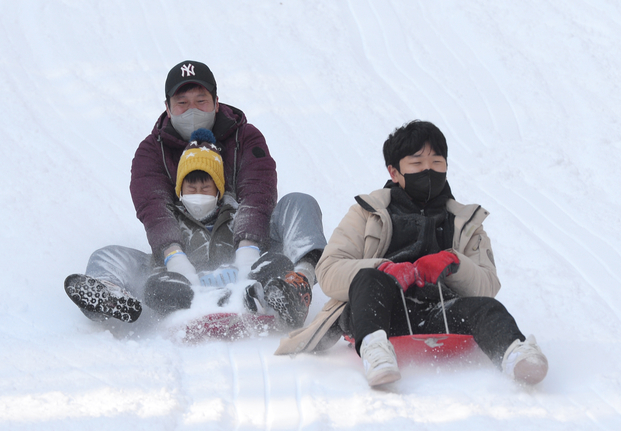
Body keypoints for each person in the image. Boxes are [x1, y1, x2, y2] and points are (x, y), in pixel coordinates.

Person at [274, 120, 548, 387]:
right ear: (394, 172)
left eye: (436, 162)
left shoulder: (465, 221)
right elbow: (328, 270)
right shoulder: (367, 213)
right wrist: (384, 268)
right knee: (369, 279)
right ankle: (376, 353)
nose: (428, 170)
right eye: (417, 163)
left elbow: (487, 287)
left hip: (437, 312)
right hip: (376, 309)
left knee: (487, 308)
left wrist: (454, 263)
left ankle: (517, 355)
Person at [64, 60, 326, 328]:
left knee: (299, 203)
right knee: (107, 255)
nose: (192, 110)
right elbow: (153, 206)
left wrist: (248, 251)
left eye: (201, 101)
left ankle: (296, 285)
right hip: (182, 257)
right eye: (182, 103)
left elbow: (258, 192)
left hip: (249, 248)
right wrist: (174, 256)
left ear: (216, 102)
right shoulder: (152, 151)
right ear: (168, 107)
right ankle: (110, 295)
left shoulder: (244, 137)